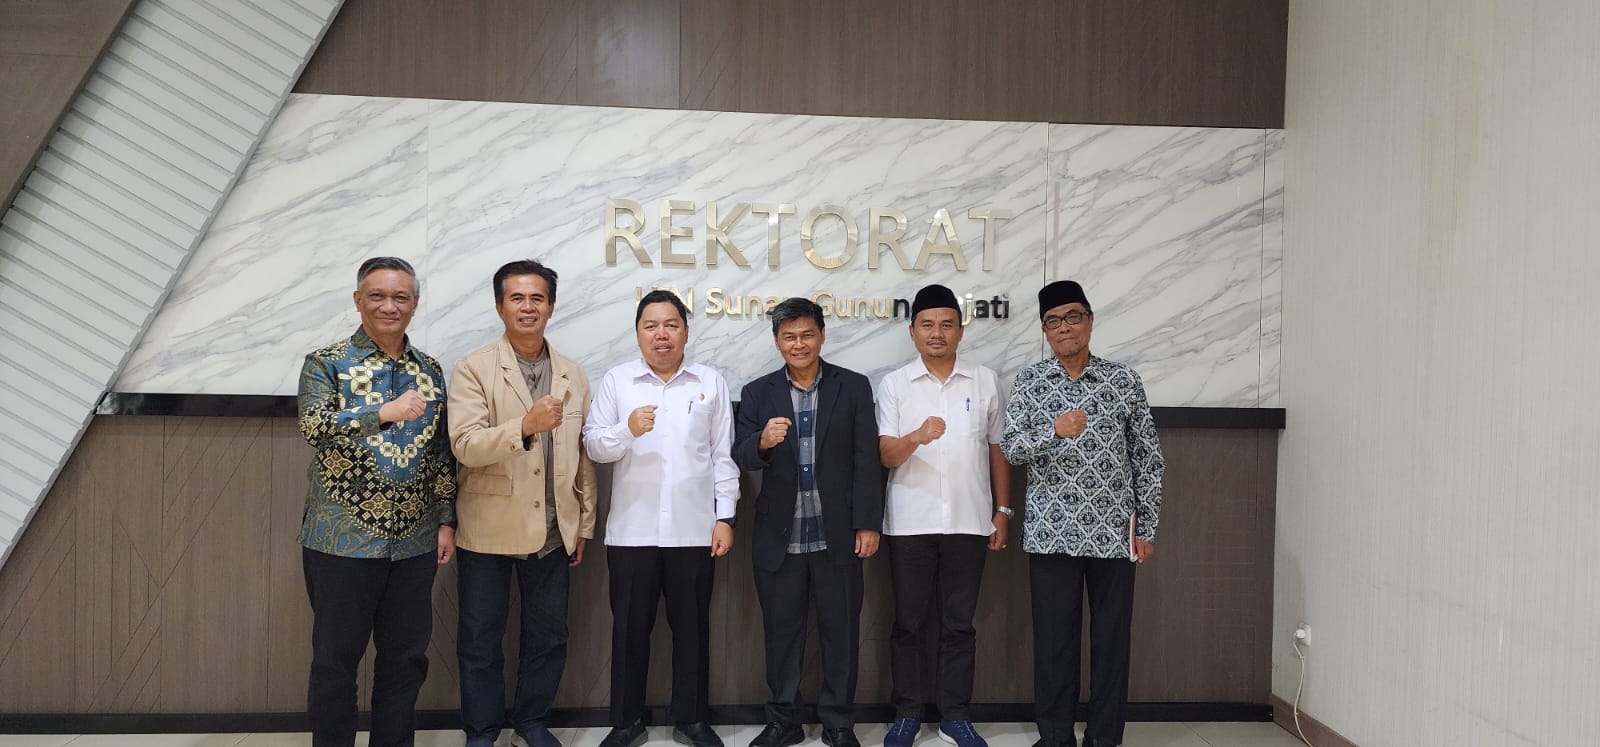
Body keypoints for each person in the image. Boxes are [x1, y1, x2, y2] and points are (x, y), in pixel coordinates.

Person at [297, 256, 457, 747]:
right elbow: (314, 427)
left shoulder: (429, 370)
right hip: (340, 541)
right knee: (335, 662)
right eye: (378, 296)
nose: (390, 306)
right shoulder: (327, 362)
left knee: (405, 661)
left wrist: (446, 519)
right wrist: (383, 411)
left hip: (414, 543)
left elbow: (440, 454)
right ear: (358, 300)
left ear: (414, 304)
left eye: (400, 297)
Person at [1000, 280, 1165, 747]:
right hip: (1052, 534)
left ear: (1090, 320)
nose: (1064, 327)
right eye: (1053, 321)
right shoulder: (1030, 382)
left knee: (1111, 642)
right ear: (1044, 331)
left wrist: (1147, 527)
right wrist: (1053, 431)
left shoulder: (1123, 380)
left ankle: (1104, 737)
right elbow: (1012, 449)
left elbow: (1147, 457)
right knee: (1054, 643)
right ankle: (1055, 737)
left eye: (1073, 316)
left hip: (1115, 533)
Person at [447, 259, 598, 747]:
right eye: (517, 298)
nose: (527, 307)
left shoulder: (573, 373)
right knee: (480, 641)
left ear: (550, 307)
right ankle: (482, 731)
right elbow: (465, 445)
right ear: (500, 307)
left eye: (537, 298)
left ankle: (532, 723)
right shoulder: (473, 368)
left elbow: (582, 455)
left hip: (554, 531)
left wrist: (583, 524)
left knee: (548, 637)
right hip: (488, 528)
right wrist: (525, 427)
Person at [583, 290, 739, 747]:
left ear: (686, 331)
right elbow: (594, 445)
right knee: (629, 630)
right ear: (638, 333)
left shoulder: (710, 382)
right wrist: (626, 430)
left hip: (694, 530)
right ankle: (626, 722)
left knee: (692, 629)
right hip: (632, 532)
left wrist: (725, 517)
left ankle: (691, 720)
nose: (661, 334)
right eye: (651, 326)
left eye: (671, 325)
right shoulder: (618, 381)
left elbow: (723, 456)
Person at [732, 297, 884, 747]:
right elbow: (741, 455)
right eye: (789, 337)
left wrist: (868, 523)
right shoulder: (758, 392)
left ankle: (838, 722)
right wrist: (761, 441)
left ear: (822, 336)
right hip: (780, 538)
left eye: (807, 335)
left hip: (838, 535)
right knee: (782, 635)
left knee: (841, 633)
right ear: (776, 341)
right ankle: (785, 720)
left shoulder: (852, 387)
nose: (798, 344)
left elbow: (866, 460)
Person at [875, 284, 1012, 747]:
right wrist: (916, 436)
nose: (937, 333)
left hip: (969, 522)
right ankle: (907, 714)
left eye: (947, 325)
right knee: (908, 625)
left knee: (959, 626)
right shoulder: (895, 385)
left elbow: (997, 450)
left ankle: (956, 715)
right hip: (909, 523)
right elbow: (887, 455)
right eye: (928, 325)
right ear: (912, 332)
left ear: (961, 330)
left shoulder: (985, 381)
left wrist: (1003, 511)